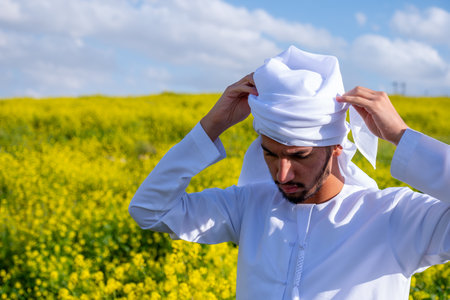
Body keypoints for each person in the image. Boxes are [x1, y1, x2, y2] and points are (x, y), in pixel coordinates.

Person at [129, 46, 449, 300]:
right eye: (270, 154)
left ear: (336, 146)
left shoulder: (396, 218)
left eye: (299, 156)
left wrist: (402, 137)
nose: (282, 175)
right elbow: (150, 210)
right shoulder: (250, 206)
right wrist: (213, 124)